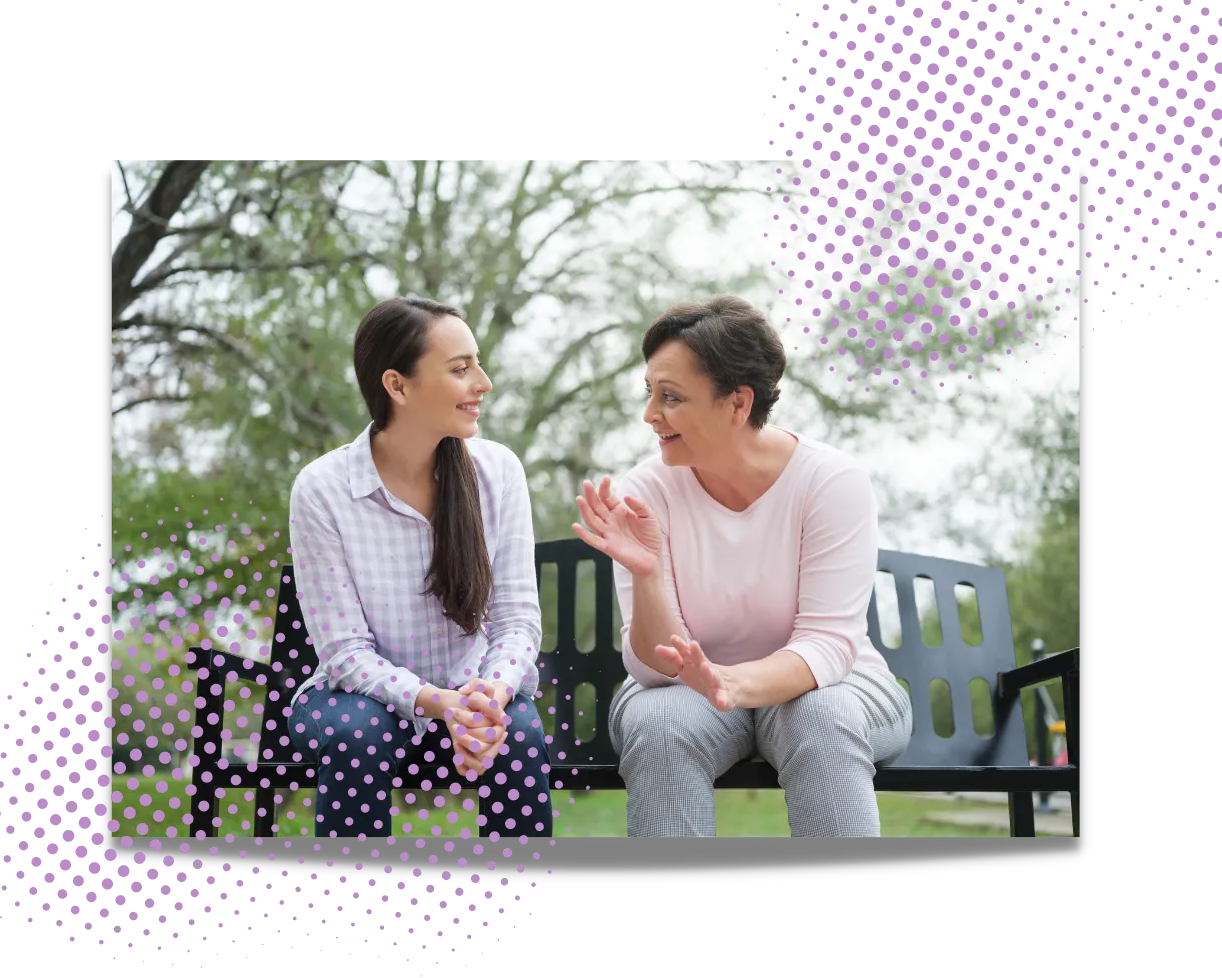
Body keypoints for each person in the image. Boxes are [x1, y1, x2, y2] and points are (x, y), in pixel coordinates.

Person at [572, 294, 912, 837]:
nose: (649, 415)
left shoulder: (830, 482)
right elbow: (655, 672)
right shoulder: (645, 490)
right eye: (650, 393)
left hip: (829, 687)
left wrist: (729, 682)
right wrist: (649, 572)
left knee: (821, 719)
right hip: (686, 696)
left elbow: (827, 645)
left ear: (736, 403)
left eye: (671, 397)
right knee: (658, 723)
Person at [285, 296, 550, 841]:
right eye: (461, 369)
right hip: (357, 703)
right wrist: (437, 703)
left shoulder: (497, 472)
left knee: (518, 731)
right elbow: (345, 652)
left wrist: (487, 699)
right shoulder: (324, 488)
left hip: (475, 695)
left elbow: (516, 622)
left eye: (476, 363)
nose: (484, 382)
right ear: (397, 386)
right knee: (358, 731)